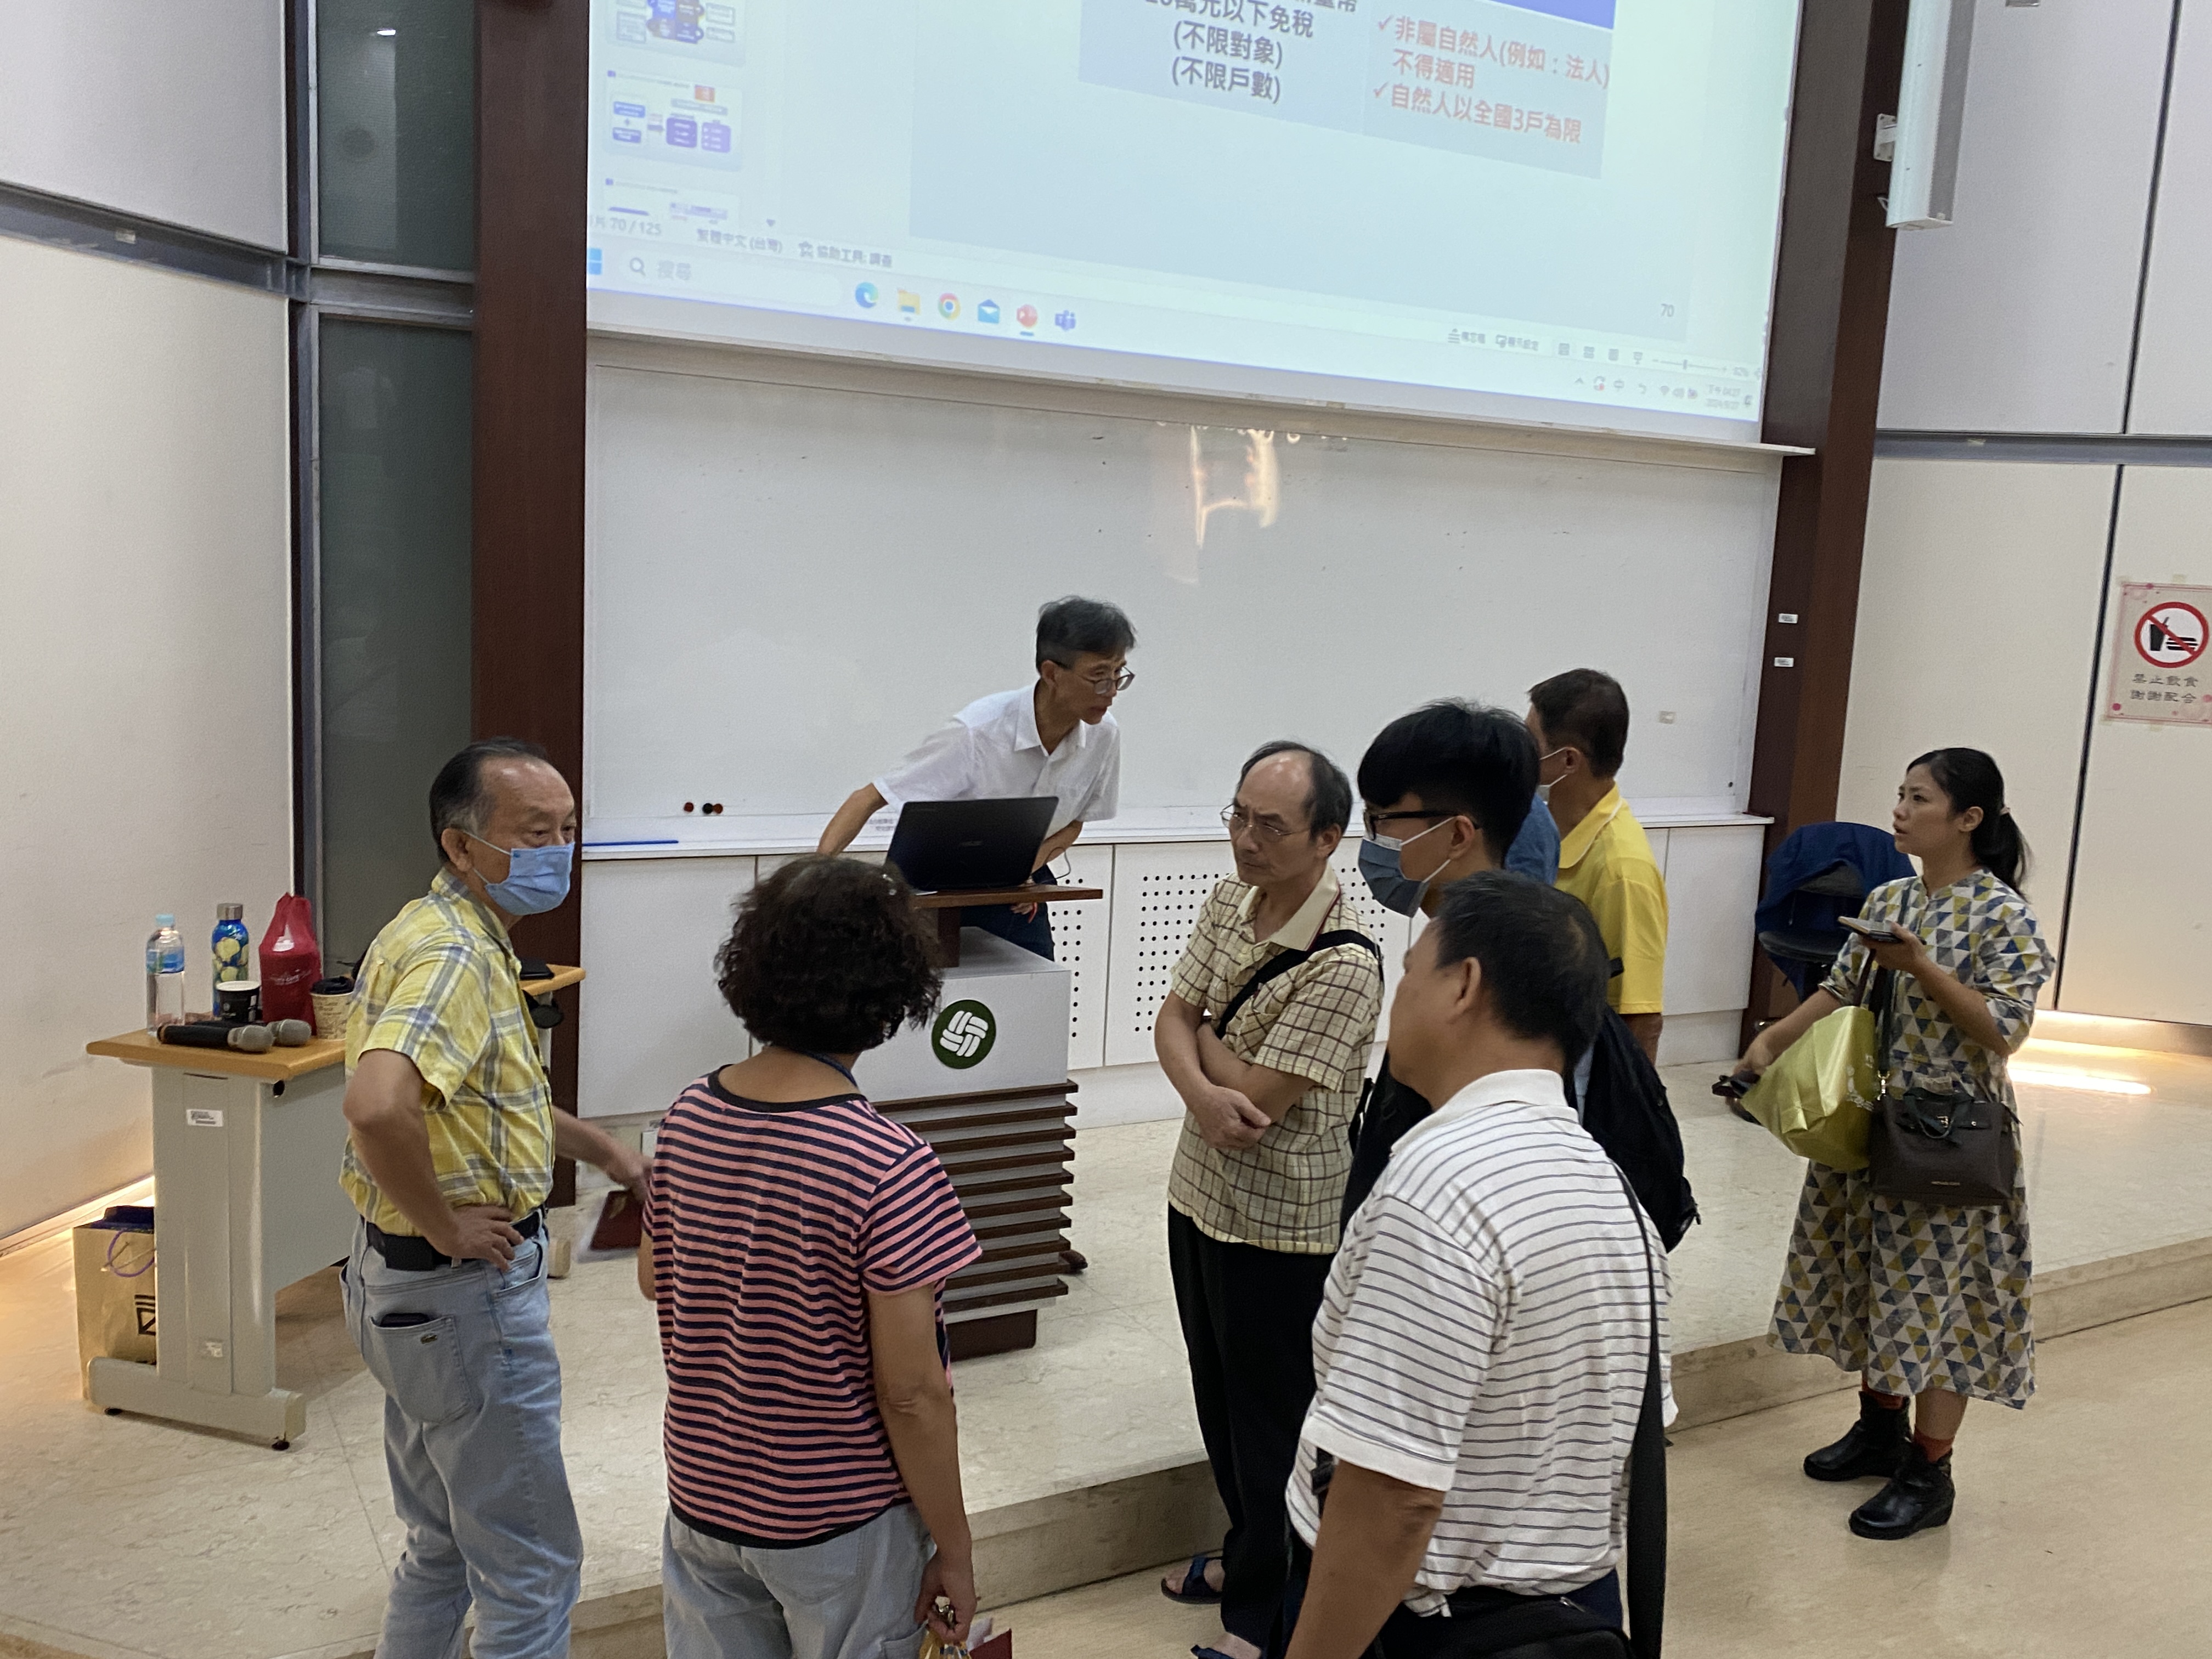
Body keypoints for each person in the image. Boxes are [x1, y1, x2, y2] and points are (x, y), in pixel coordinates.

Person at [1279, 871, 1668, 1658]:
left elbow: (1393, 1498)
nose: (1398, 997)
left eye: (1411, 971)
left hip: (1426, 1622)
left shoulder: (1438, 1192)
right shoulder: (1613, 1188)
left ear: (1463, 985)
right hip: (1574, 1614)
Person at [338, 737, 651, 1659]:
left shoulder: (435, 929)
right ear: (461, 844)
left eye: (568, 829)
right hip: (460, 1299)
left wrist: (610, 1155)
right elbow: (377, 1104)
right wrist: (444, 1223)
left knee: (441, 1544)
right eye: (534, 832)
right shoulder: (456, 958)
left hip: (399, 1290)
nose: (559, 850)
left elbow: (488, 1102)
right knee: (531, 1568)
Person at [638, 856, 982, 1658]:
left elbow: (657, 1277)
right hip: (840, 1519)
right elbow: (912, 1395)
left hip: (703, 1496)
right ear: (893, 993)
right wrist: (956, 1547)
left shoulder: (687, 1115)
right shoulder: (888, 1163)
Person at [1733, 748, 2049, 1541]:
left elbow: (2003, 1030)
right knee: (1875, 1277)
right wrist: (1771, 1041)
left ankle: (1929, 1470)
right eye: (1900, 794)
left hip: (1949, 1141)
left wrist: (1924, 968)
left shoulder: (2001, 914)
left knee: (1942, 1299)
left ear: (1969, 819)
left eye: (1919, 798)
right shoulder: (1890, 896)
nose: (1900, 811)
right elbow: (1841, 986)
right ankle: (1880, 1428)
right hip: (1873, 1123)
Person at [1154, 742, 1385, 1659]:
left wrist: (1212, 1061)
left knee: (1276, 1421)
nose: (1246, 839)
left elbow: (1258, 1100)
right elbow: (1174, 1018)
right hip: (1197, 1193)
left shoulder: (1346, 958)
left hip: (1282, 1224)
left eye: (1271, 826)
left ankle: (1268, 1612)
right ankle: (1248, 1551)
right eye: (1239, 816)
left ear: (1327, 837)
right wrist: (1206, 1086)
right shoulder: (1229, 899)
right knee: (1216, 1392)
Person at [816, 595, 1136, 960]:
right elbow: (868, 798)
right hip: (933, 893)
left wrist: (1023, 870)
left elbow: (1075, 822)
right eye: (1098, 677)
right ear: (1051, 674)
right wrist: (811, 884)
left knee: (1038, 986)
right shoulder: (977, 732)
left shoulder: (1104, 735)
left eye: (1119, 674)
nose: (1112, 690)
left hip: (1016, 894)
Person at [1342, 700, 1541, 1223]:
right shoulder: (1449, 943)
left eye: (1383, 819)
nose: (1372, 838)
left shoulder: (1495, 980)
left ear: (1457, 835)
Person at [1526, 668, 1669, 1063]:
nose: (1519, 756)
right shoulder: (1539, 830)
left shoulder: (1622, 870)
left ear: (1568, 761)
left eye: (1530, 744)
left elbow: (1640, 1020)